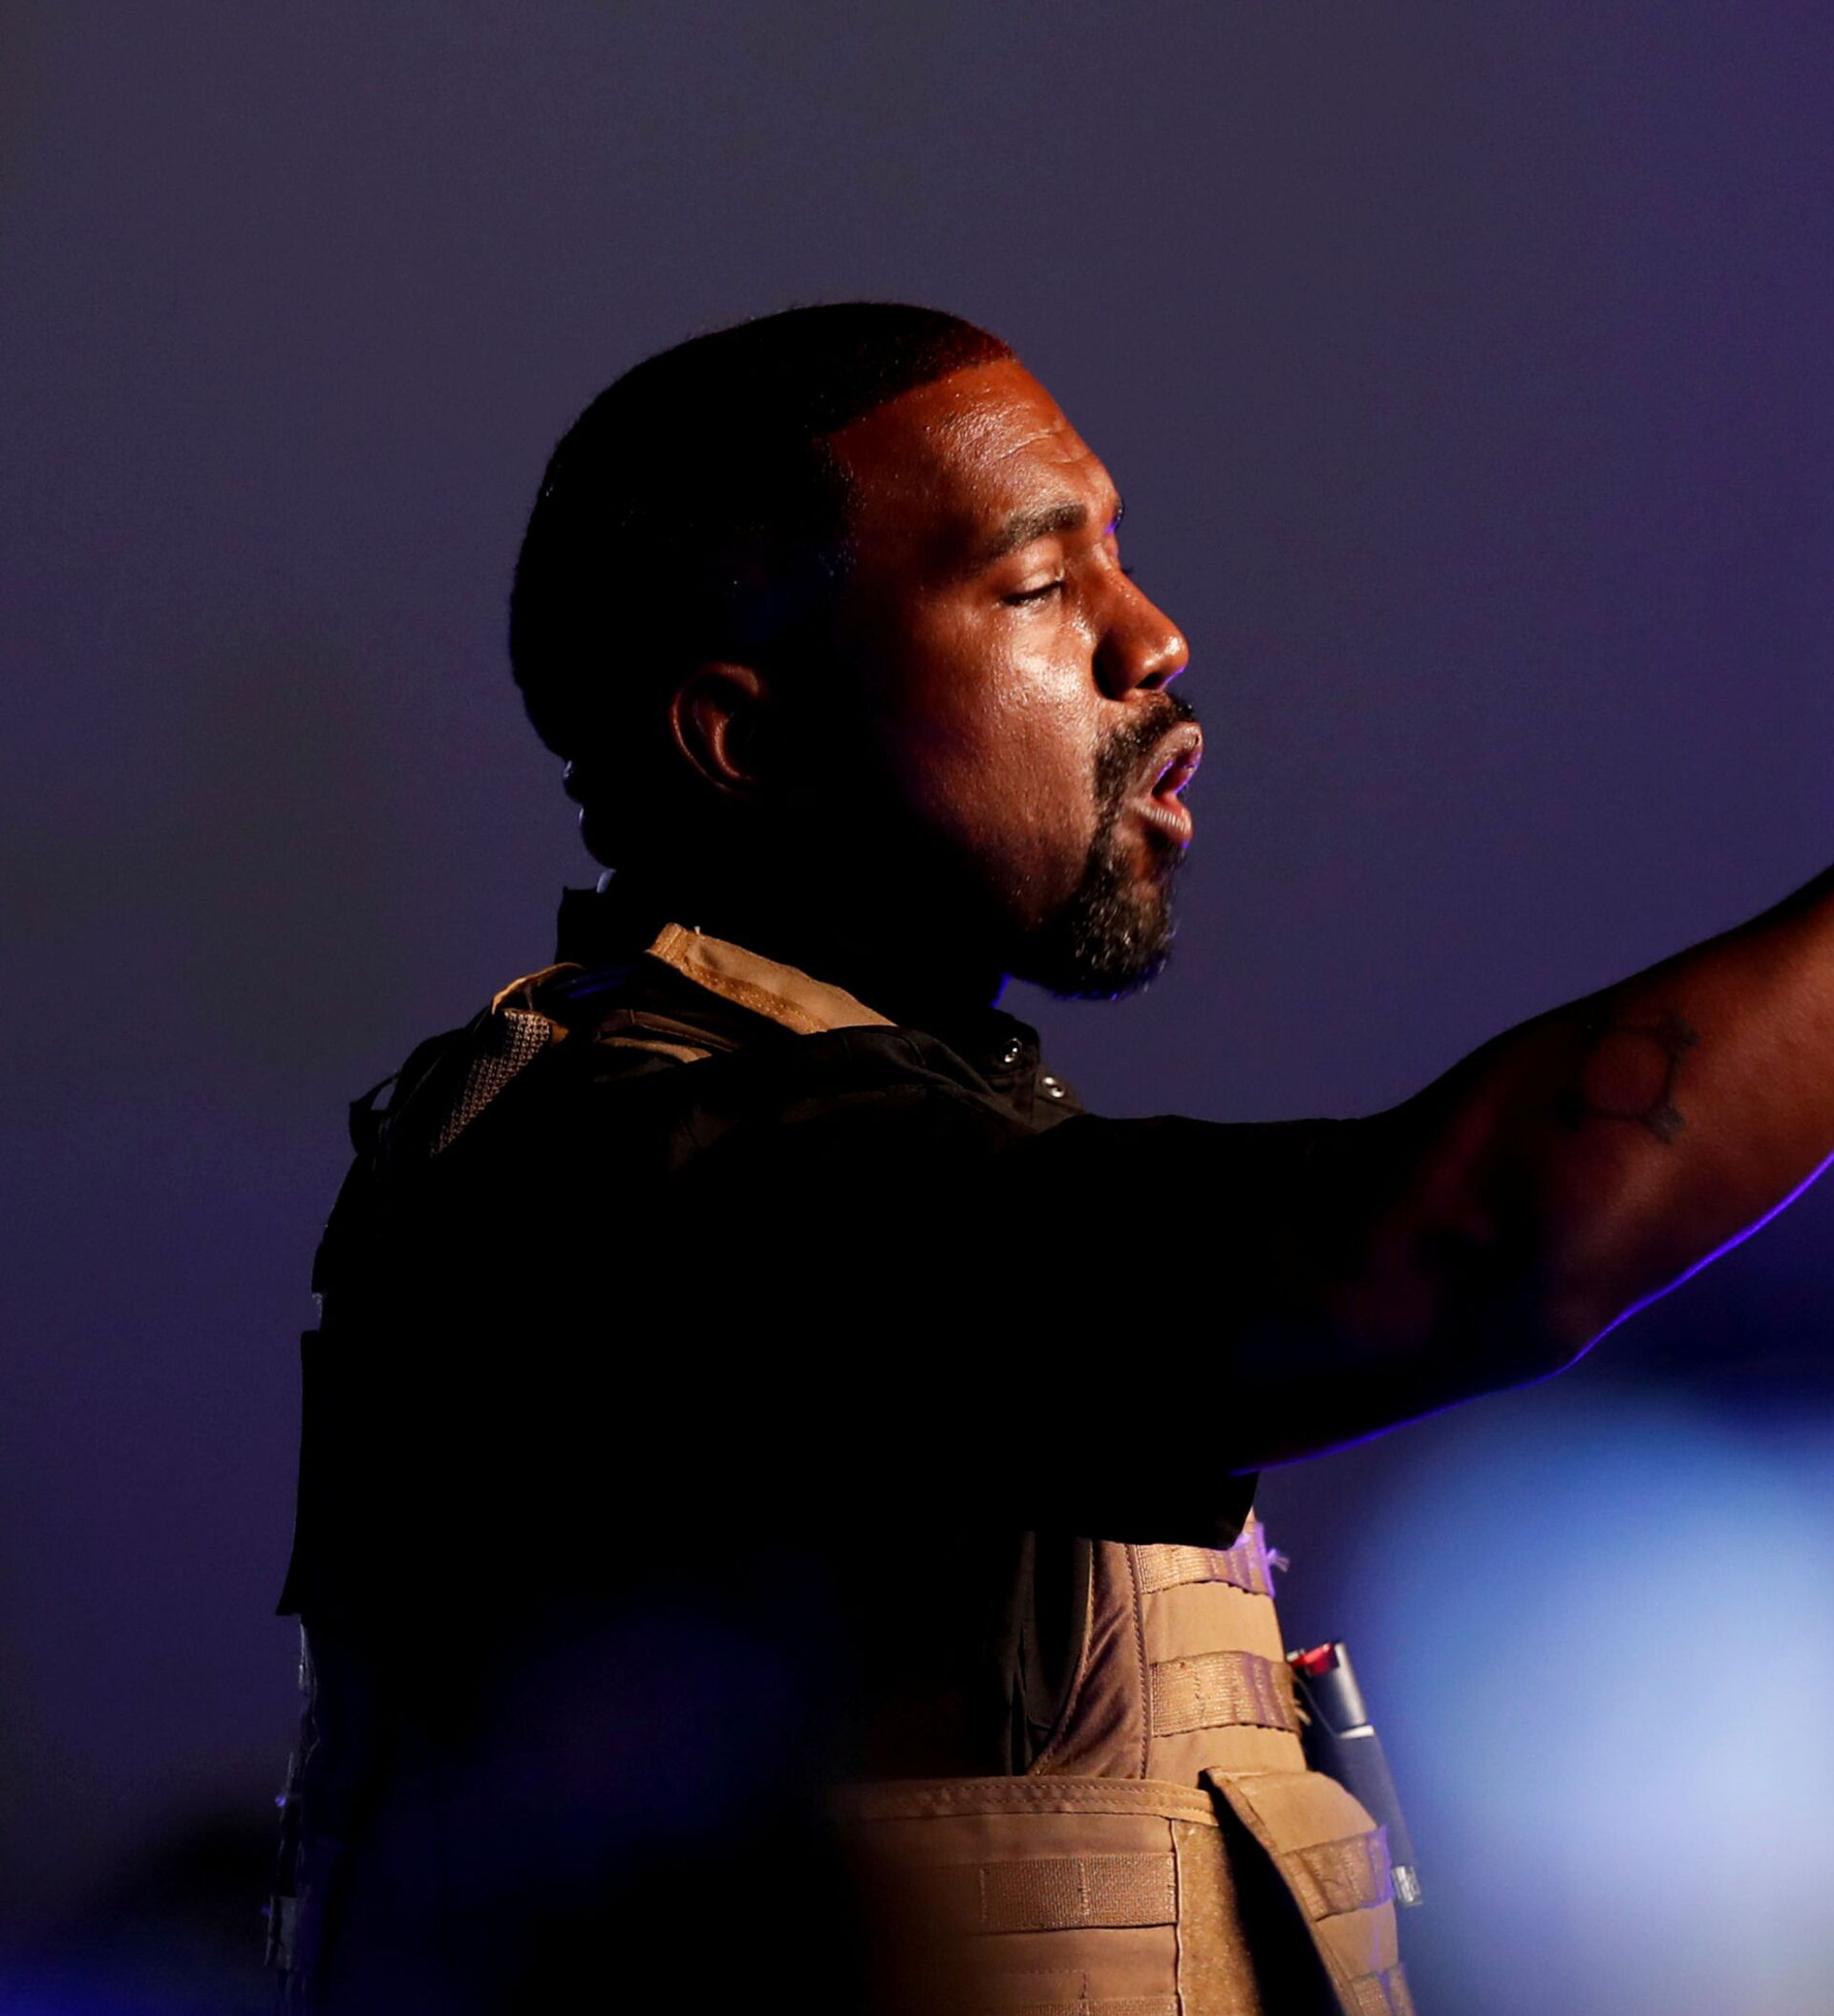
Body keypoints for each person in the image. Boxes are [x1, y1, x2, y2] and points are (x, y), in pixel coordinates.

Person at [268, 302, 1834, 2014]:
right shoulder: (652, 1173)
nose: (1151, 639)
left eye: (1119, 559)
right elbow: (1459, 1243)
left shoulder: (881, 1138)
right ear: (747, 740)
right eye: (1036, 585)